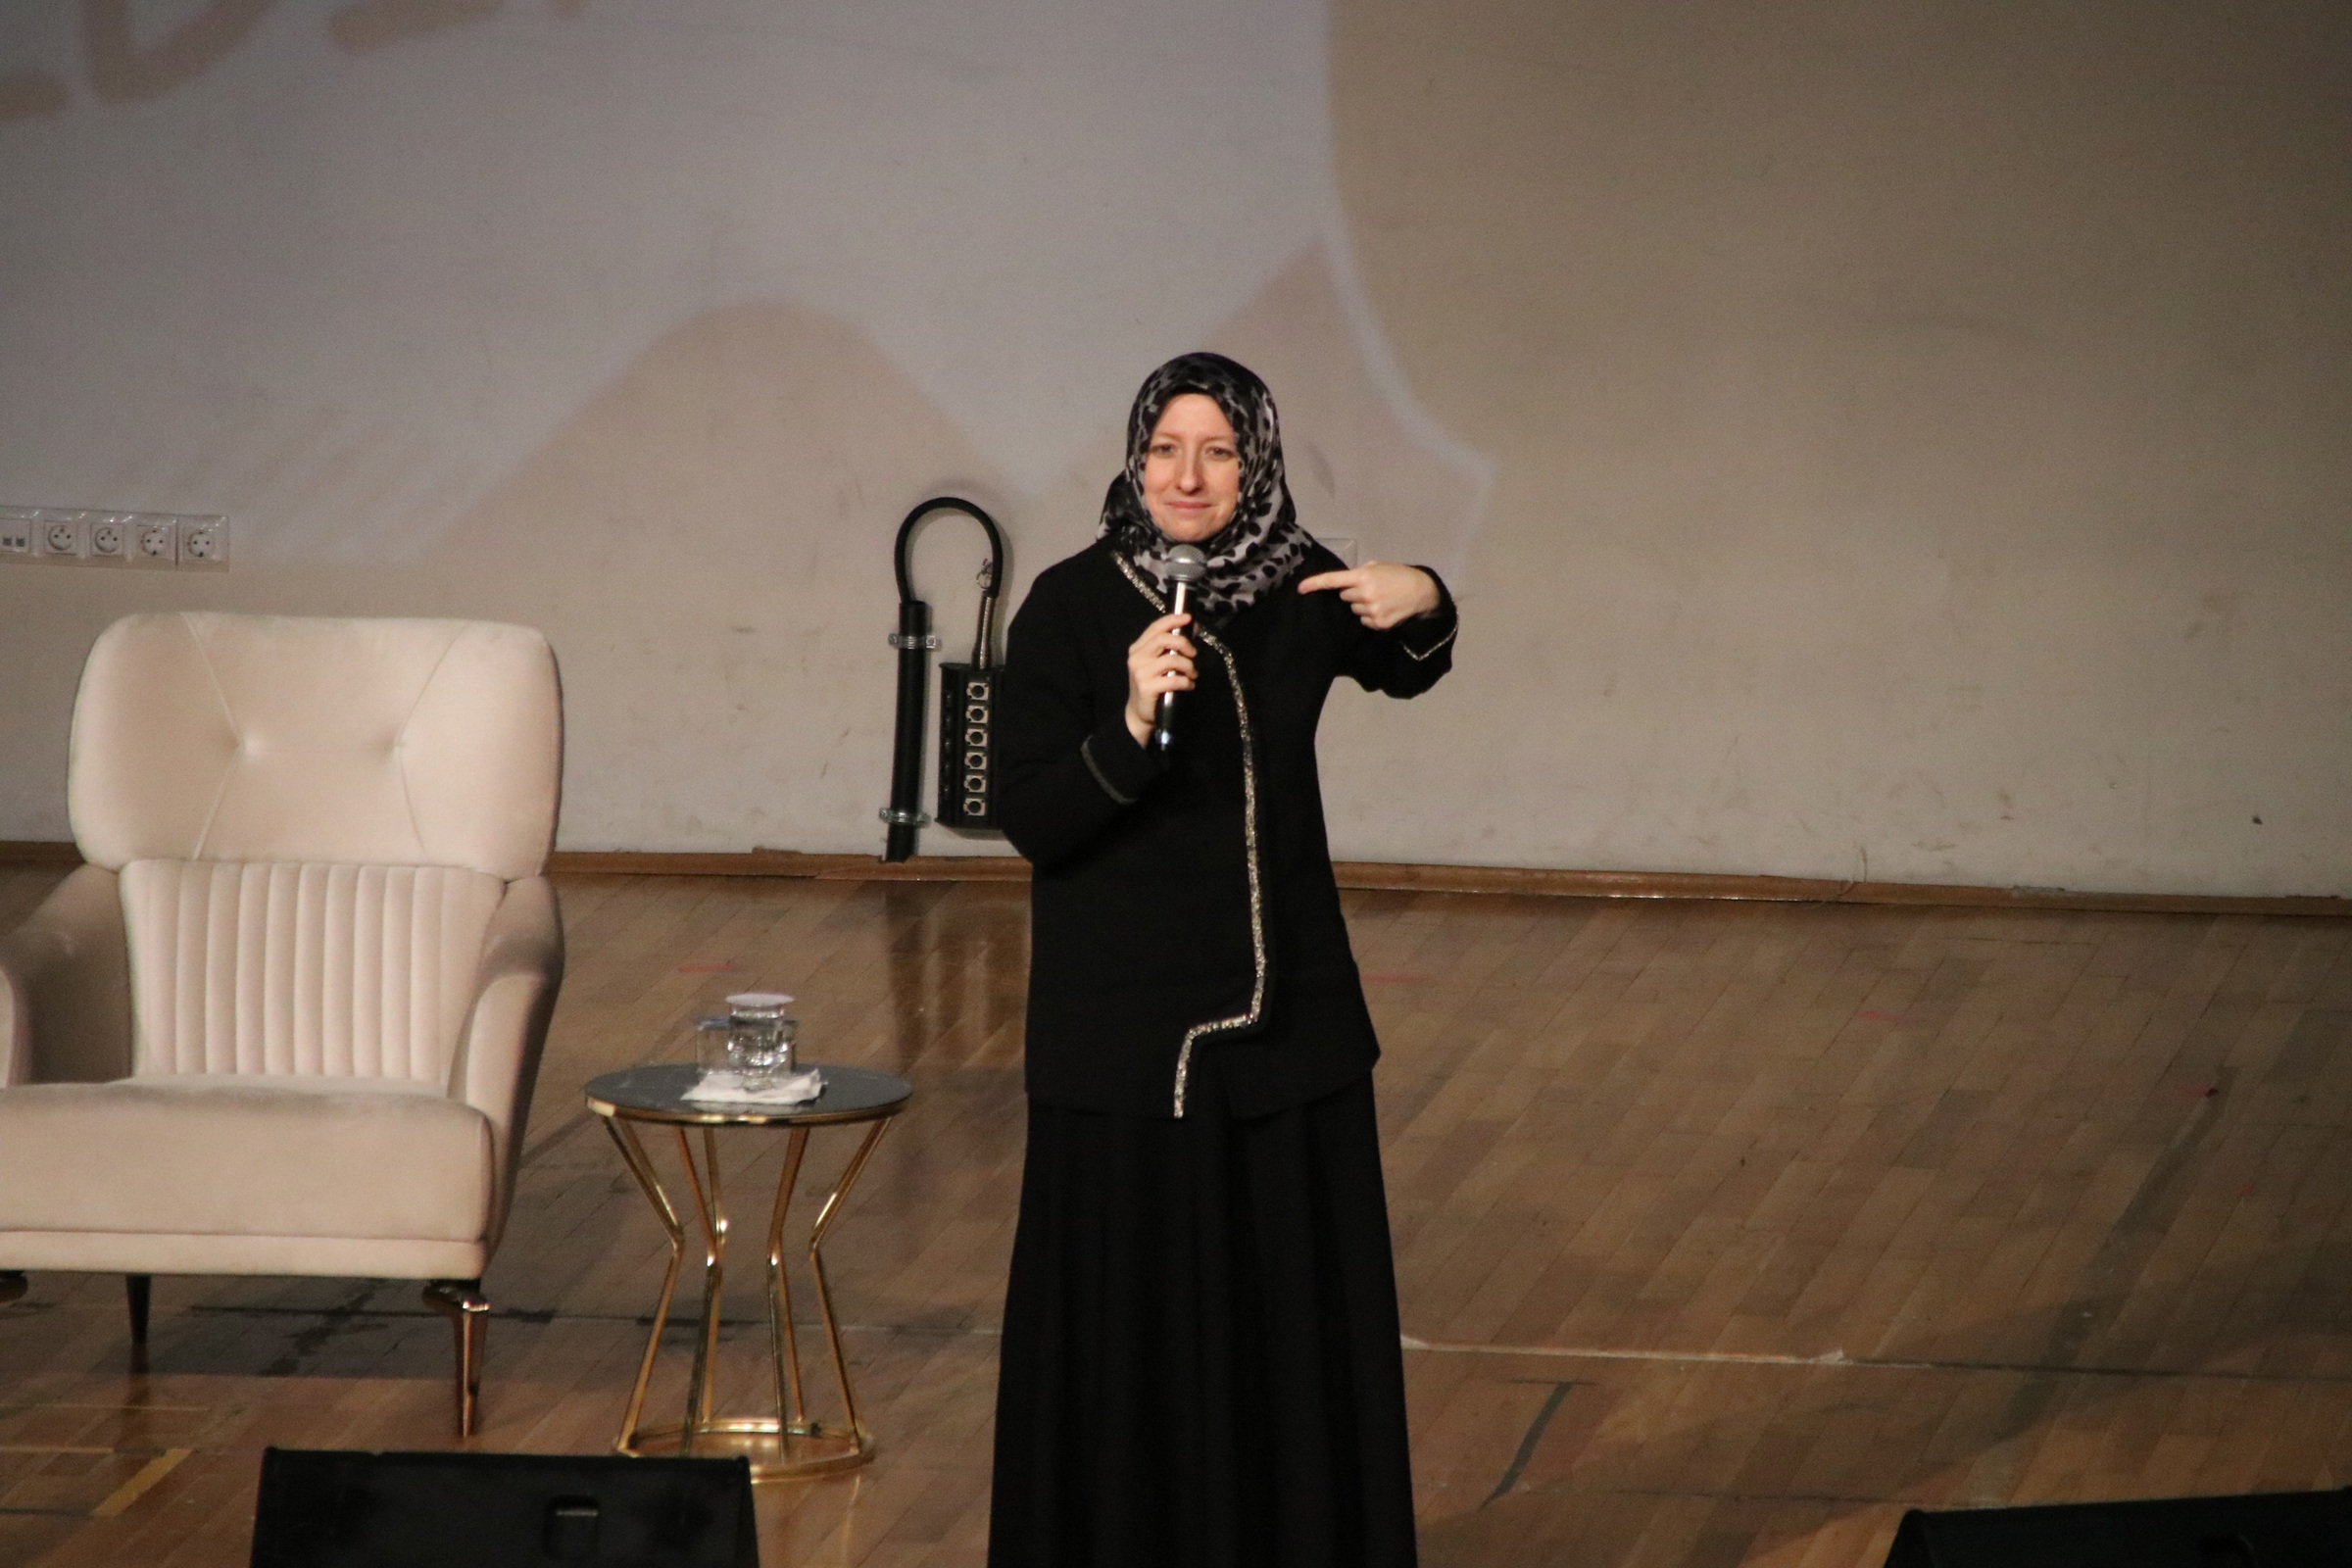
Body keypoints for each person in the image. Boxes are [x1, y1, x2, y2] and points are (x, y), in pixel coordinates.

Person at [986, 352, 1457, 1568]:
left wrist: (1427, 594)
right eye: (1165, 450)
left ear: (1256, 463)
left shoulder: (1297, 584)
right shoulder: (1070, 605)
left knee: (1281, 1336)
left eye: (1218, 452)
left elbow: (1407, 657)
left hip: (1285, 1037)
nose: (1187, 477)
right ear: (1134, 458)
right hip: (1127, 1050)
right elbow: (1029, 814)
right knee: (1133, 1347)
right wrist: (1130, 721)